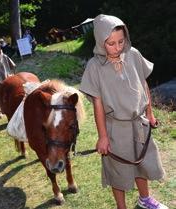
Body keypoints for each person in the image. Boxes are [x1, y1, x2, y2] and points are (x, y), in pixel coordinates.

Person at [79, 14, 168, 209]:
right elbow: (98, 104)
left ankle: (145, 200)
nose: (117, 48)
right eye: (111, 43)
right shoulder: (94, 67)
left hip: (140, 123)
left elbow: (144, 84)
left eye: (121, 41)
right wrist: (103, 136)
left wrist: (150, 114)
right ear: (101, 42)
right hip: (115, 129)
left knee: (141, 164)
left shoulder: (133, 54)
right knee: (118, 172)